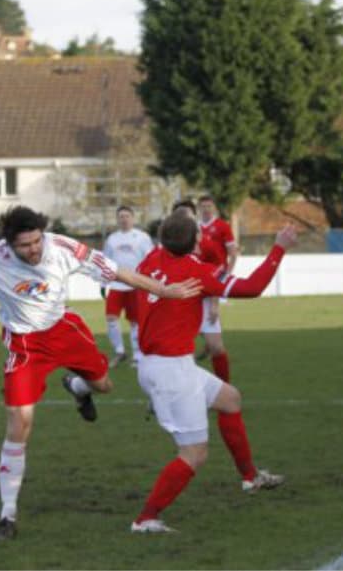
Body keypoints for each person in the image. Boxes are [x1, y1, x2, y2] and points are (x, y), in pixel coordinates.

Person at [0, 206, 201, 542]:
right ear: (9, 244)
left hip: (64, 331)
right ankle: (7, 514)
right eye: (25, 246)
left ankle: (79, 386)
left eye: (37, 241)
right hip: (25, 346)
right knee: (19, 424)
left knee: (105, 385)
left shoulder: (63, 248)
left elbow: (118, 273)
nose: (34, 249)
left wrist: (163, 289)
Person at [129, 212, 295, 534]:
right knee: (194, 453)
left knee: (230, 399)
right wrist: (279, 249)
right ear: (196, 240)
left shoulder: (151, 258)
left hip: (159, 363)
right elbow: (253, 287)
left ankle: (250, 478)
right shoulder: (197, 273)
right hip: (171, 370)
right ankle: (145, 518)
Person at [172, 201, 233, 382]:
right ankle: (175, 390)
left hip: (204, 300)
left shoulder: (206, 244)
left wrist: (214, 303)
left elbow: (218, 271)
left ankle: (225, 388)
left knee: (216, 347)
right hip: (178, 300)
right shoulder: (168, 245)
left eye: (188, 217)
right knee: (178, 351)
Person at [102, 206, 154, 368]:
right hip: (117, 283)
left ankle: (137, 355)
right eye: (121, 216)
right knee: (111, 318)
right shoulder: (112, 239)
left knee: (135, 322)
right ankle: (119, 351)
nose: (124, 219)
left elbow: (151, 259)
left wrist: (148, 281)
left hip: (136, 284)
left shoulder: (142, 237)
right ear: (117, 219)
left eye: (127, 216)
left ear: (133, 218)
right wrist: (103, 283)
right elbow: (105, 262)